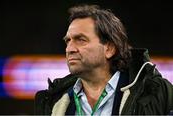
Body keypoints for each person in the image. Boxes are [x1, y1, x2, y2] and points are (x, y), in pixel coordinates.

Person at [35, 4, 173, 115]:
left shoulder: (154, 92)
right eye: (68, 41)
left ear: (109, 49)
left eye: (80, 40)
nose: (69, 49)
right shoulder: (53, 102)